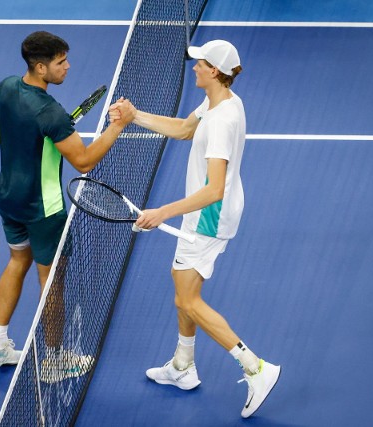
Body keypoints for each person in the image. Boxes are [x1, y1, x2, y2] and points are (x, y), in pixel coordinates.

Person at [110, 40, 280, 418]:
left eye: (199, 64)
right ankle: (183, 365)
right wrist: (135, 116)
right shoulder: (220, 102)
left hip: (208, 216)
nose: (194, 68)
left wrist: (162, 212)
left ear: (215, 72)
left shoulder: (222, 121)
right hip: (209, 213)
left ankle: (256, 368)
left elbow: (214, 188)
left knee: (187, 299)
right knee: (182, 281)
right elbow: (186, 129)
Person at [0, 31, 135, 383]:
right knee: (52, 283)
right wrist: (117, 127)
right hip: (44, 209)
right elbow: (83, 162)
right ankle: (53, 361)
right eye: (60, 62)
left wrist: (31, 145)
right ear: (40, 67)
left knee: (17, 260)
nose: (68, 67)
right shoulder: (51, 113)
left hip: (8, 198)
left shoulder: (5, 87)